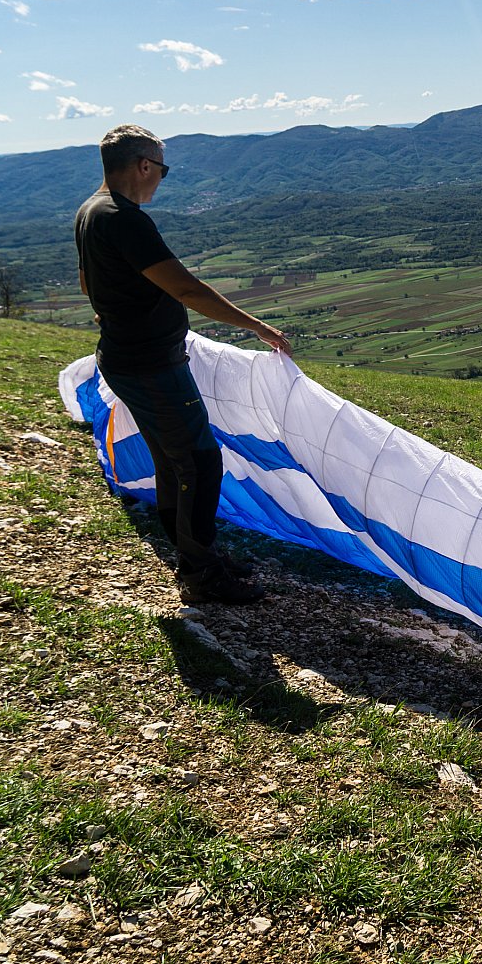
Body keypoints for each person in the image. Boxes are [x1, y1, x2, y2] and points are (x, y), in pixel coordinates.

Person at [76, 124, 292, 604]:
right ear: (144, 166)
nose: (161, 178)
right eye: (162, 169)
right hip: (152, 365)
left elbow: (88, 282)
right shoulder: (125, 218)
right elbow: (187, 288)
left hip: (125, 357)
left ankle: (197, 554)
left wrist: (115, 308)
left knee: (174, 462)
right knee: (199, 461)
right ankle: (201, 575)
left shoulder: (91, 210)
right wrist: (257, 327)